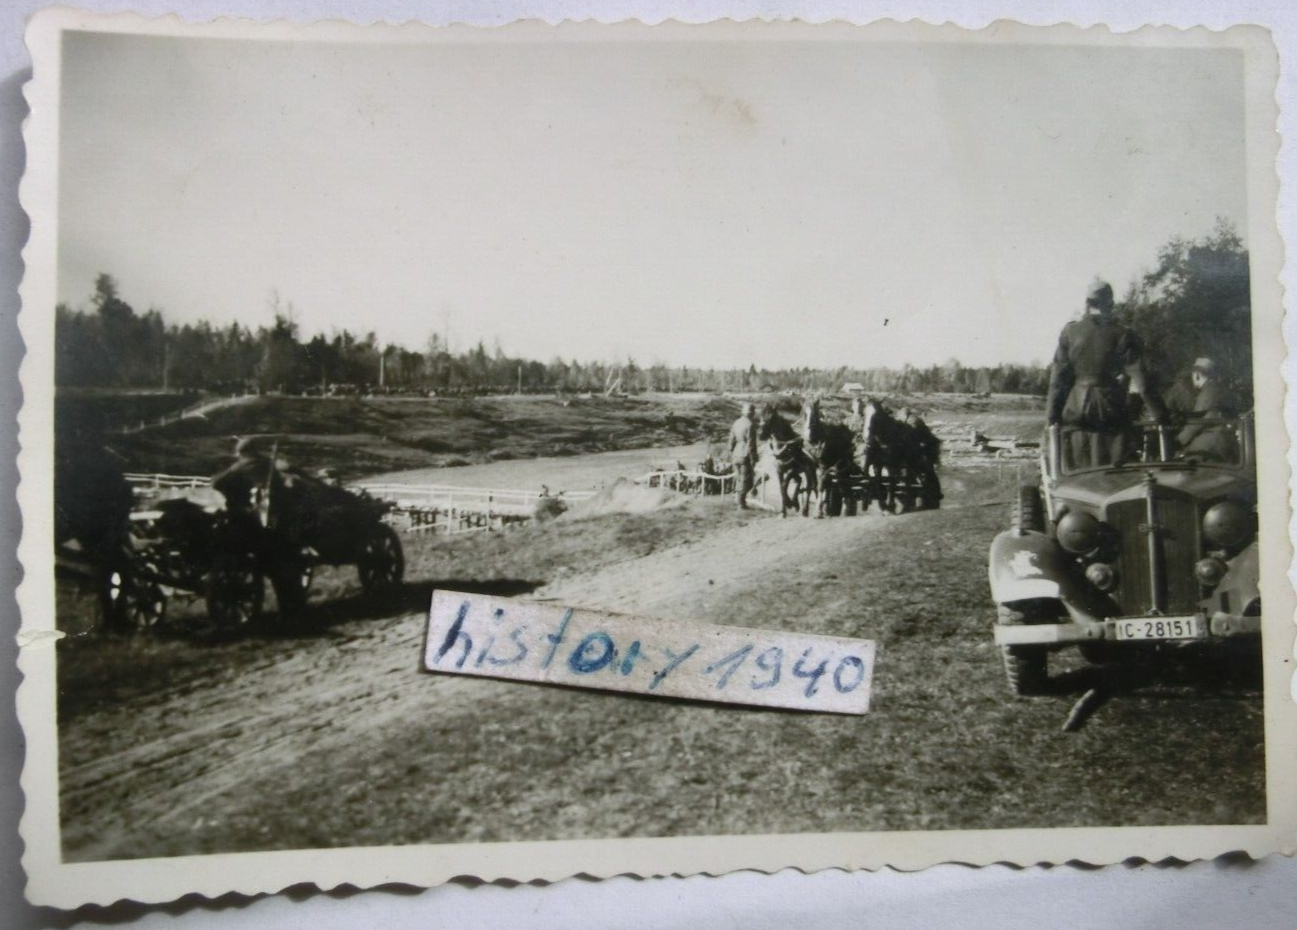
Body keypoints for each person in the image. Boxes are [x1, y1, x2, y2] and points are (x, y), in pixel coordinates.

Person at [1046, 279, 1163, 468]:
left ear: (1087, 303)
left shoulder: (1070, 331)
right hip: (1111, 411)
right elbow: (1142, 381)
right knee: (1114, 473)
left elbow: (1057, 381)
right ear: (1111, 304)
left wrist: (1052, 418)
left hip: (1076, 413)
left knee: (1078, 474)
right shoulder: (1122, 333)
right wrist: (1160, 414)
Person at [1176, 357, 1238, 462]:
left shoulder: (1209, 391)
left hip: (1211, 443)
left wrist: (1178, 441)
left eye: (1192, 375)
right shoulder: (1216, 388)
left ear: (1197, 375)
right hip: (1218, 440)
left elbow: (1197, 422)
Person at [900, 406, 943, 506]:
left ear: (905, 415)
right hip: (921, 446)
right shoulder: (910, 421)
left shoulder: (914, 421)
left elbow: (912, 436)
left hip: (927, 447)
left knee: (927, 469)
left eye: (901, 416)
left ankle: (935, 493)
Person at [727, 402, 759, 509]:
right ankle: (741, 503)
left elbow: (731, 440)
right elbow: (751, 444)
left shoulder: (736, 423)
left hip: (736, 454)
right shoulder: (750, 425)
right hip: (745, 454)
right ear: (751, 413)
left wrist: (731, 453)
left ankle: (740, 501)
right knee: (746, 479)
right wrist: (753, 459)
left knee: (739, 478)